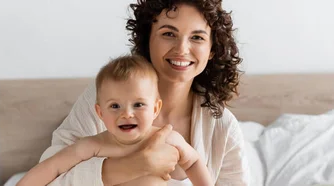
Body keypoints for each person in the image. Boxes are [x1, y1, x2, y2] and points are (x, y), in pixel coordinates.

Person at [39, 0, 249, 185]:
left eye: (197, 37)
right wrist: (131, 167)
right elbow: (49, 178)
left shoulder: (223, 127)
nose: (182, 49)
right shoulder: (105, 98)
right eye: (168, 34)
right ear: (148, 39)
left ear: (212, 49)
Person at [18, 55, 213, 186]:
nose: (127, 114)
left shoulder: (168, 139)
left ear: (155, 109)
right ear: (100, 113)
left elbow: (194, 162)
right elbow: (52, 167)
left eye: (138, 105)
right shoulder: (93, 145)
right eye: (114, 106)